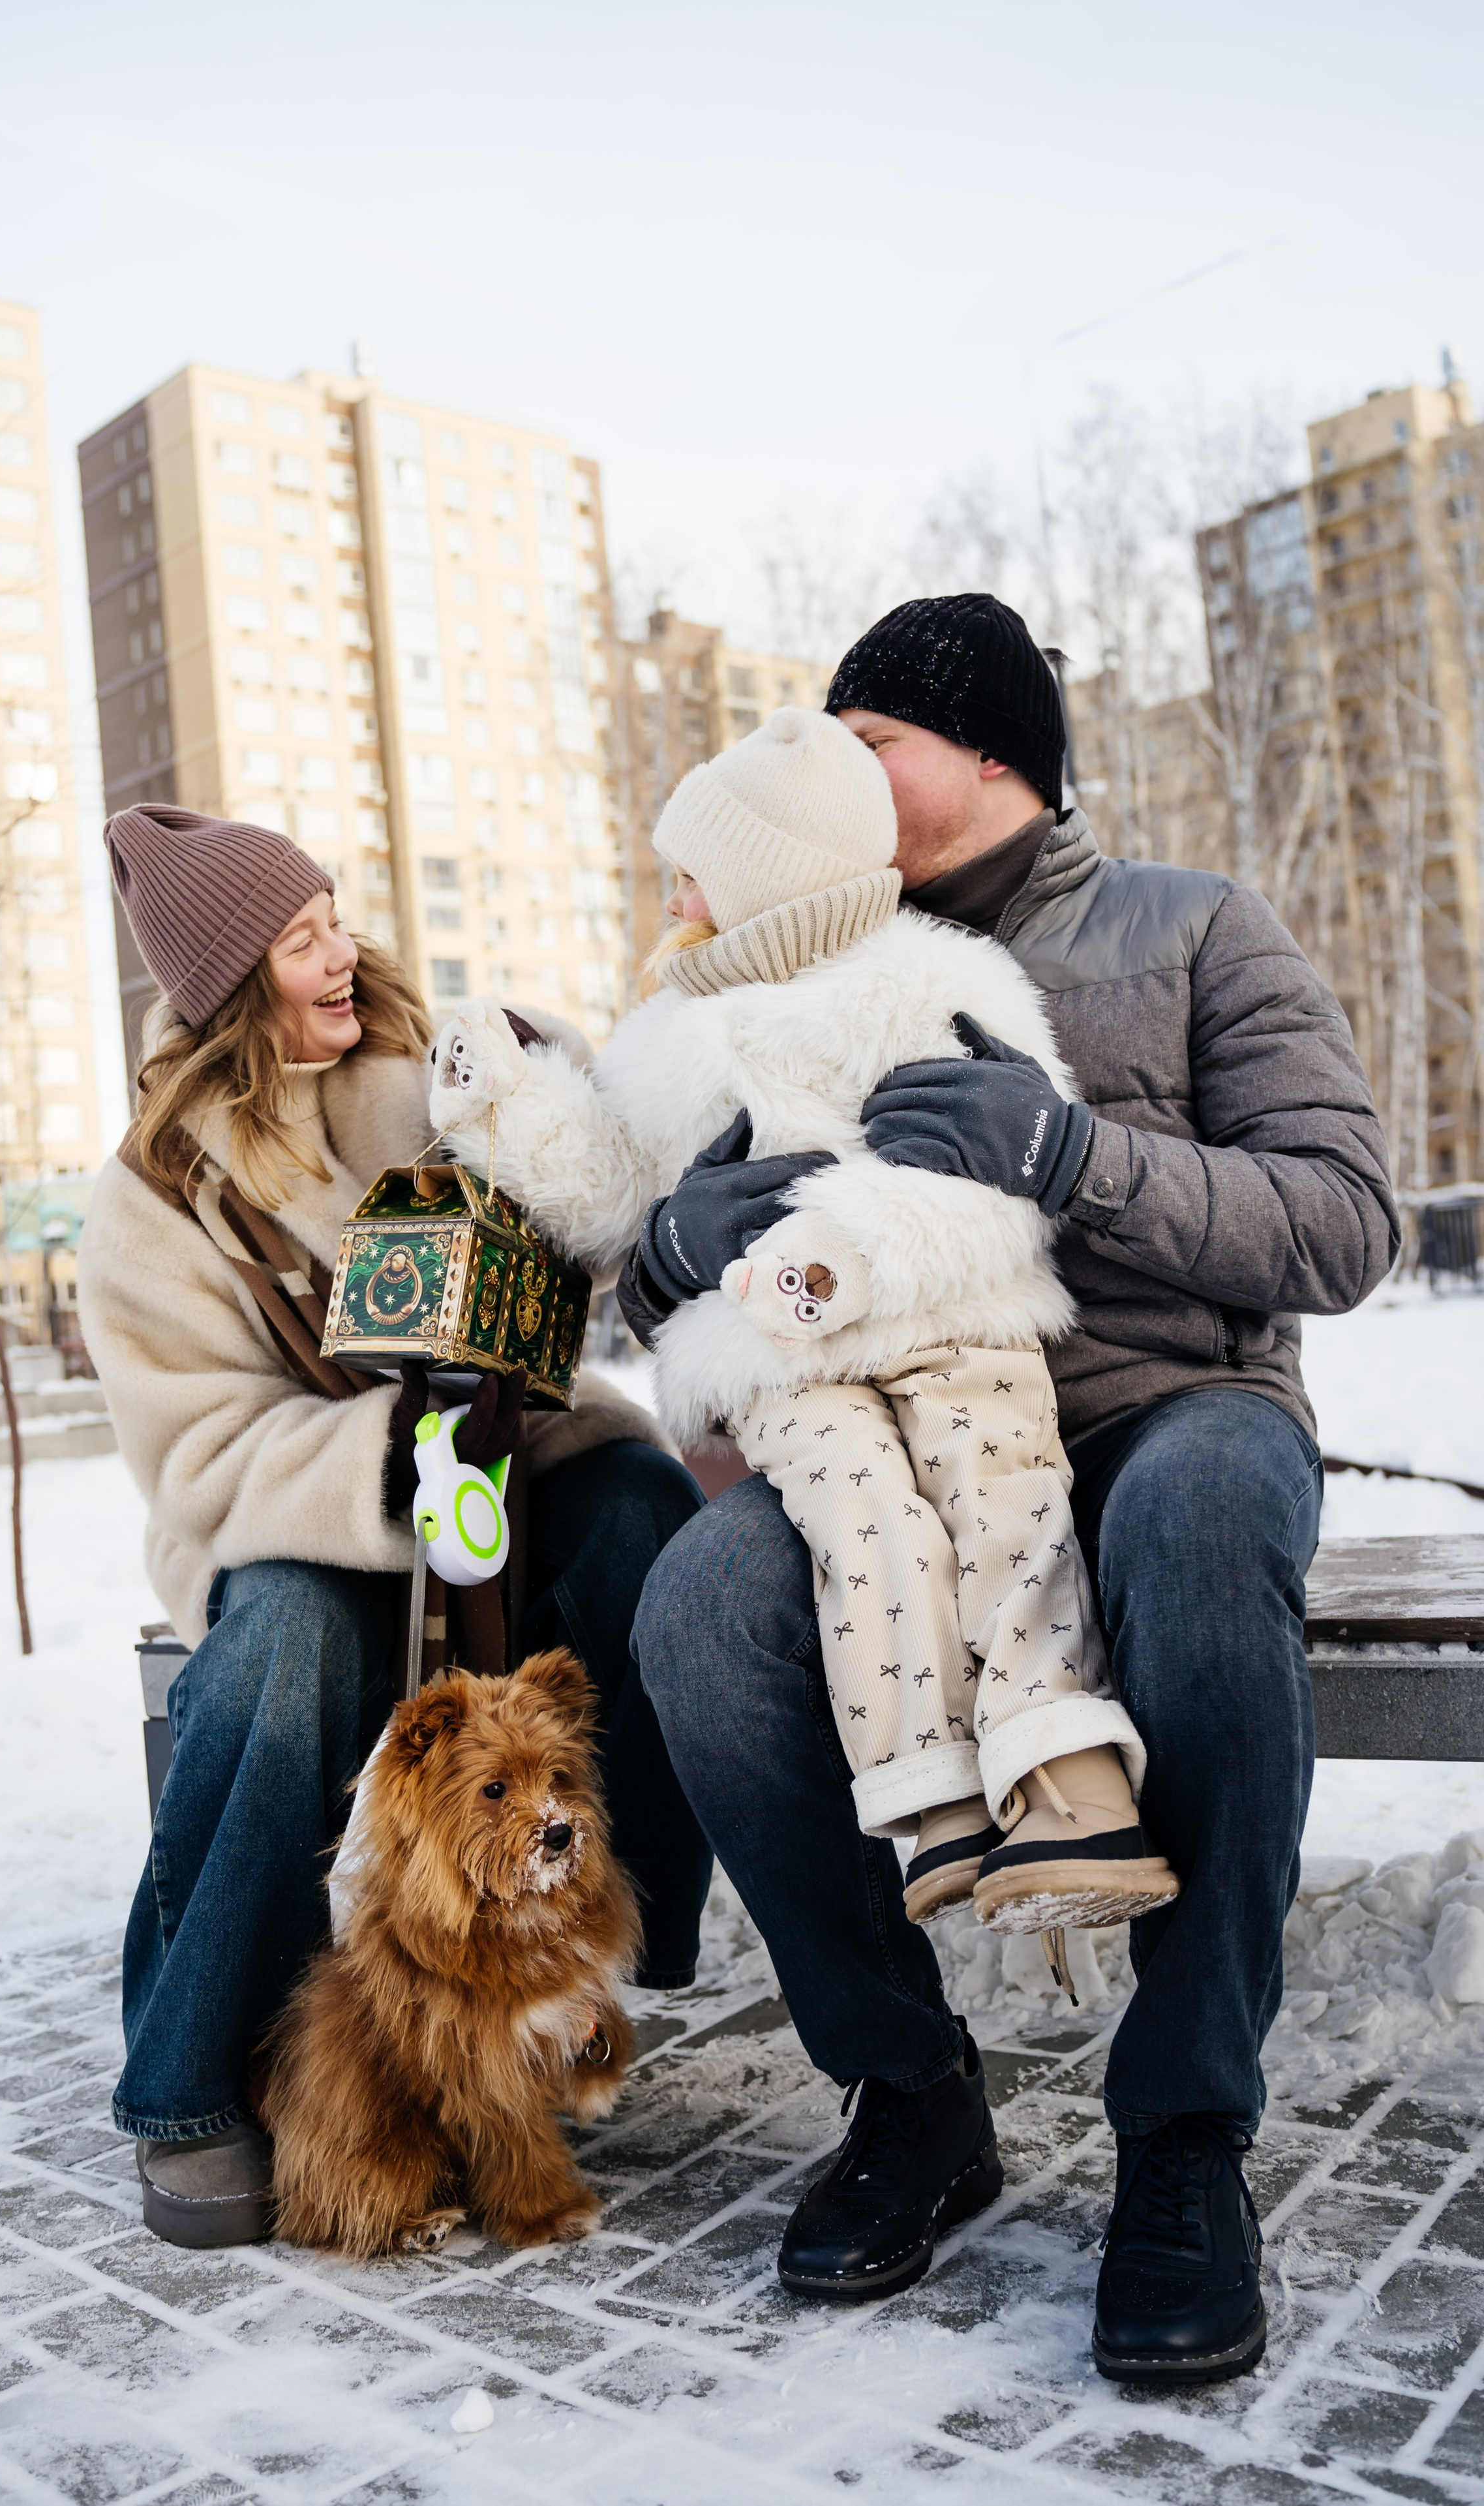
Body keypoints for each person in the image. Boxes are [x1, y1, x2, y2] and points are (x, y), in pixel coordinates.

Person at [624, 594, 1399, 2383]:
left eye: (865, 735)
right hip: (883, 1436)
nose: (828, 768)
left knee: (1201, 1541)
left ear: (989, 754)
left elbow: (1344, 1219)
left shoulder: (1192, 924)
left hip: (1160, 1405)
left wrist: (1072, 1153)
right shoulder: (774, 961)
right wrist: (674, 1247)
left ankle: (1186, 2136)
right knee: (702, 1604)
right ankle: (911, 2094)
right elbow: (641, 1251)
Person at [429, 707, 1174, 1944]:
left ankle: (1067, 1780)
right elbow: (617, 1188)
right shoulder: (668, 1031)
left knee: (1001, 1494)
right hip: (785, 1363)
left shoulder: (933, 978)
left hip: (948, 1315)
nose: (673, 889)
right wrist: (510, 1107)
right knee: (861, 1517)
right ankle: (933, 1797)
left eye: (697, 865)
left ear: (768, 873)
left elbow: (990, 1181)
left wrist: (849, 1248)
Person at [78, 803, 710, 2251]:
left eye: (333, 918)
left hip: (511, 1473)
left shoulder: (418, 1079)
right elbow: (198, 1451)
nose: (340, 951)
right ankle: (185, 2088)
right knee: (274, 1663)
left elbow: (590, 1188)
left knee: (644, 1521)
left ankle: (605, 1948)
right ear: (235, 985)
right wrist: (394, 1463)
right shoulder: (155, 1203)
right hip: (319, 1530)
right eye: (299, 940)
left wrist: (535, 1073)